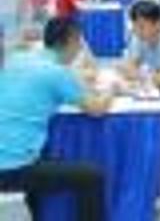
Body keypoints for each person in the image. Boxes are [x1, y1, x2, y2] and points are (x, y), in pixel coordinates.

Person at [0, 17, 113, 221]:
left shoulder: (18, 58)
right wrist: (112, 91)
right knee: (93, 176)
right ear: (71, 41)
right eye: (79, 43)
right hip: (12, 168)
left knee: (50, 157)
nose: (80, 49)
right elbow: (97, 109)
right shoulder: (56, 73)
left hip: (9, 158)